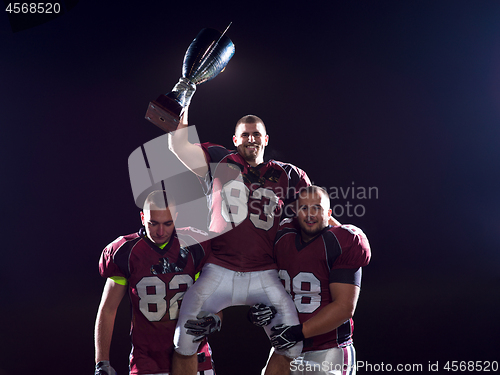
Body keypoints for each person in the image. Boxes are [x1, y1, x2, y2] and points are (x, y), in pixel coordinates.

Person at [168, 107, 311, 375]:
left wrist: (342, 228)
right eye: (245, 135)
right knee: (183, 342)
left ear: (266, 139)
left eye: (256, 134)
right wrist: (185, 98)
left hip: (265, 272)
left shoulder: (288, 174)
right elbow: (178, 145)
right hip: (219, 267)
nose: (251, 139)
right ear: (235, 140)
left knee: (291, 346)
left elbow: (314, 210)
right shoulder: (220, 160)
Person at [94, 190, 215, 375]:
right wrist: (102, 362)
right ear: (142, 218)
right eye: (153, 223)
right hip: (148, 359)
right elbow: (108, 308)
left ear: (176, 217)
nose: (160, 231)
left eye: (167, 224)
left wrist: (214, 317)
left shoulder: (194, 245)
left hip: (194, 354)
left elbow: (213, 295)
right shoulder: (125, 253)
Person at [255, 185, 371, 375]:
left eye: (317, 208)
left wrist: (297, 333)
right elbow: (267, 284)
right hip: (286, 347)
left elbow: (344, 308)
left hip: (328, 350)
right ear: (295, 212)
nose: (310, 215)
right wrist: (259, 306)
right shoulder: (282, 235)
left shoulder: (343, 242)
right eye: (304, 208)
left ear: (328, 212)